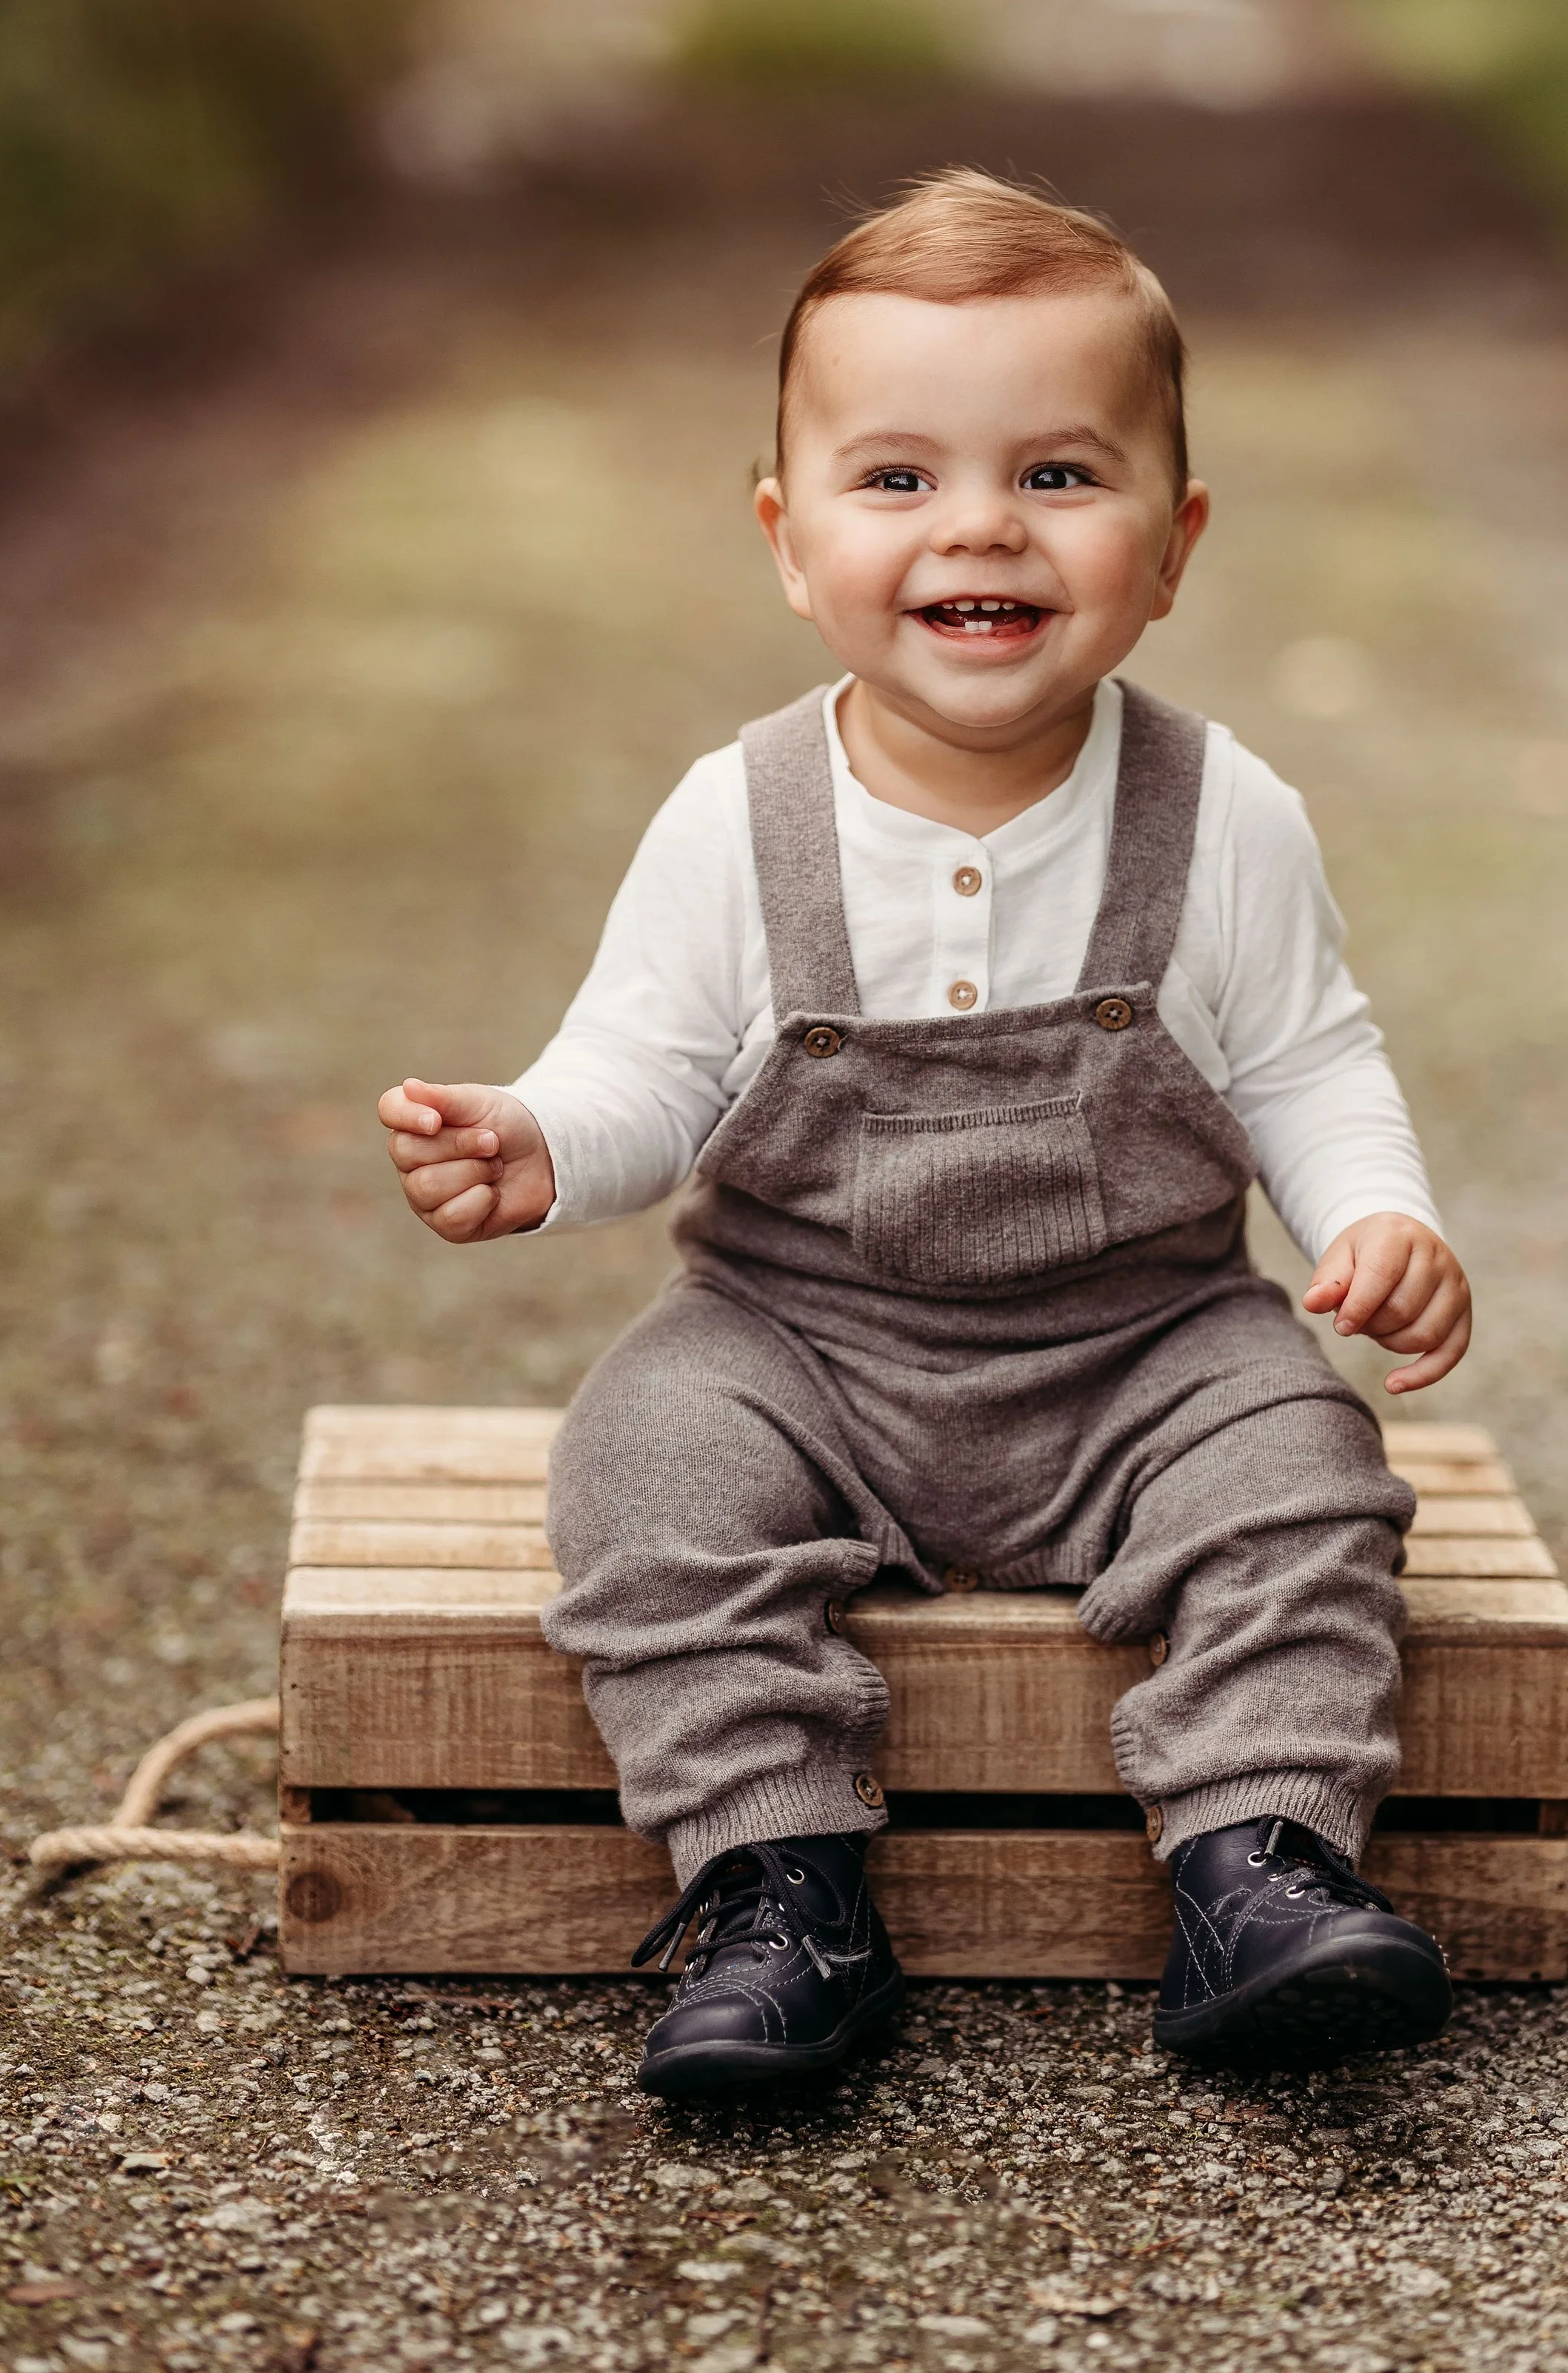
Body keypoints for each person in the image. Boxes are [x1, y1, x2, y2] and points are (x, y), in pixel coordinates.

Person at [378, 170, 1472, 2098]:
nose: (977, 524)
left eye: (1058, 474)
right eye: (896, 481)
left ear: (1174, 538)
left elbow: (1305, 1057)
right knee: (644, 1464)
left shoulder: (1223, 817)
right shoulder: (739, 819)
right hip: (804, 1348)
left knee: (1306, 1473)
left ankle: (1257, 1865)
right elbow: (648, 1060)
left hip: (1140, 1344)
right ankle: (779, 1889)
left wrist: (1376, 1213)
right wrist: (551, 1138)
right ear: (786, 538)